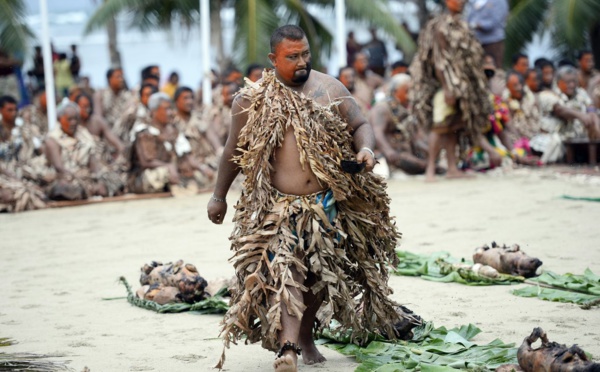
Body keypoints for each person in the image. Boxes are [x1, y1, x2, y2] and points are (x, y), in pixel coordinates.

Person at [207, 25, 409, 372]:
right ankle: (287, 349)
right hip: (278, 208)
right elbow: (232, 151)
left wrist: (365, 148)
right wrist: (218, 196)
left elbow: (361, 124)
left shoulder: (329, 88)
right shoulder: (251, 99)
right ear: (273, 59)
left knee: (319, 275)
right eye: (292, 57)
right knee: (288, 270)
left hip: (326, 204)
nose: (301, 62)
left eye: (305, 54)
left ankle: (304, 336)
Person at [410, 0, 492, 181]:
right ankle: (430, 170)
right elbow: (439, 62)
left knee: (453, 126)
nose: (461, 2)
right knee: (439, 126)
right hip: (446, 86)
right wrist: (447, 87)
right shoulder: (441, 26)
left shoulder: (463, 25)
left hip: (462, 86)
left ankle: (452, 168)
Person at [43, 102, 120, 200]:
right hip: (66, 179)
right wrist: (77, 179)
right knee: (63, 188)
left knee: (109, 184)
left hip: (85, 178)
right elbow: (59, 168)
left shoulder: (84, 135)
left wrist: (99, 178)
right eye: (69, 119)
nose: (73, 122)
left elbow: (93, 163)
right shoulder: (53, 140)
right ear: (60, 119)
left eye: (75, 119)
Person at [129, 93, 204, 194]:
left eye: (171, 109)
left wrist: (202, 168)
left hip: (172, 169)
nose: (170, 113)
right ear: (154, 111)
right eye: (166, 109)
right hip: (145, 175)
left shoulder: (173, 130)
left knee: (197, 173)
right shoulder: (145, 130)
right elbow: (145, 162)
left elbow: (186, 155)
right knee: (159, 175)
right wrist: (168, 166)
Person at [535, 65, 600, 163]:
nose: (572, 85)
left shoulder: (580, 92)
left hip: (579, 140)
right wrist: (581, 115)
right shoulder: (547, 94)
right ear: (558, 82)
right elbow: (560, 110)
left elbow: (590, 106)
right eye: (568, 82)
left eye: (574, 81)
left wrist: (593, 116)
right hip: (554, 140)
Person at [369, 74, 430, 175]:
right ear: (395, 92)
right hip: (389, 156)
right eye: (407, 91)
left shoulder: (405, 109)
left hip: (406, 152)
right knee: (417, 163)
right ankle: (430, 167)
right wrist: (389, 152)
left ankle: (430, 165)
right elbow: (377, 133)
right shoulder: (382, 109)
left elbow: (415, 137)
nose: (410, 95)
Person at [0, 95, 47, 212]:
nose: (14, 113)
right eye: (9, 110)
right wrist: (13, 177)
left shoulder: (23, 128)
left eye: (15, 109)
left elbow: (39, 147)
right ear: (1, 110)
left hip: (22, 169)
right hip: (4, 173)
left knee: (40, 187)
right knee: (16, 194)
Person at [173, 86, 221, 187]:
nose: (189, 101)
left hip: (208, 162)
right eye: (185, 98)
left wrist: (221, 153)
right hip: (188, 166)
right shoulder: (173, 123)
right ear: (177, 101)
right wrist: (202, 168)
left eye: (191, 98)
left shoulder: (199, 119)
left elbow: (213, 139)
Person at [74, 93, 127, 178]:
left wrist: (121, 158)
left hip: (100, 164)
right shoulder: (73, 125)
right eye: (83, 106)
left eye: (88, 106)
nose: (87, 109)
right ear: (76, 107)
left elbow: (118, 144)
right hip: (79, 166)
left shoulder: (97, 122)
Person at [467, 0, 509, 68]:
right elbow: (469, 18)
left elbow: (496, 22)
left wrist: (479, 25)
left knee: (494, 71)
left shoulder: (500, 1)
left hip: (493, 42)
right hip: (476, 43)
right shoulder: (474, 1)